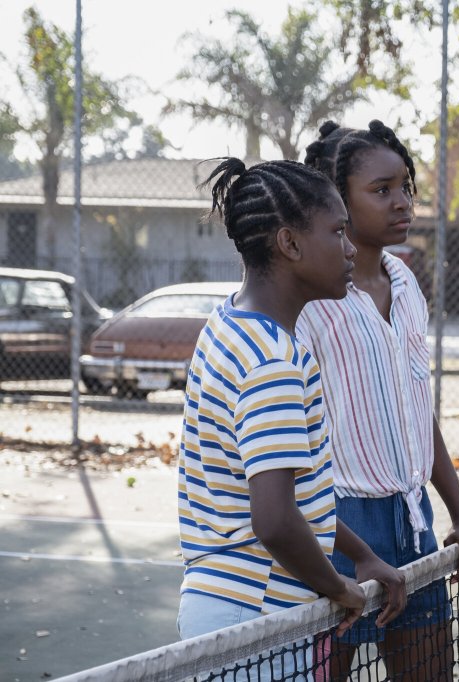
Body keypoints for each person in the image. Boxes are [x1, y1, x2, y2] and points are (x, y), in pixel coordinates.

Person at [177, 157, 408, 676]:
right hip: (255, 617)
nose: (350, 248)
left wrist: (362, 553)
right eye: (338, 231)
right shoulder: (274, 362)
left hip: (226, 609)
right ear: (290, 244)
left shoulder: (228, 324)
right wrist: (341, 587)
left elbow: (297, 496)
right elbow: (275, 519)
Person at [299, 120, 459, 680]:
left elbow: (415, 406)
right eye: (381, 190)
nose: (401, 201)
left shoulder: (404, 281)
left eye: (404, 185)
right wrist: (346, 544)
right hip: (337, 530)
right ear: (337, 200)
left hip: (414, 523)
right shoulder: (309, 297)